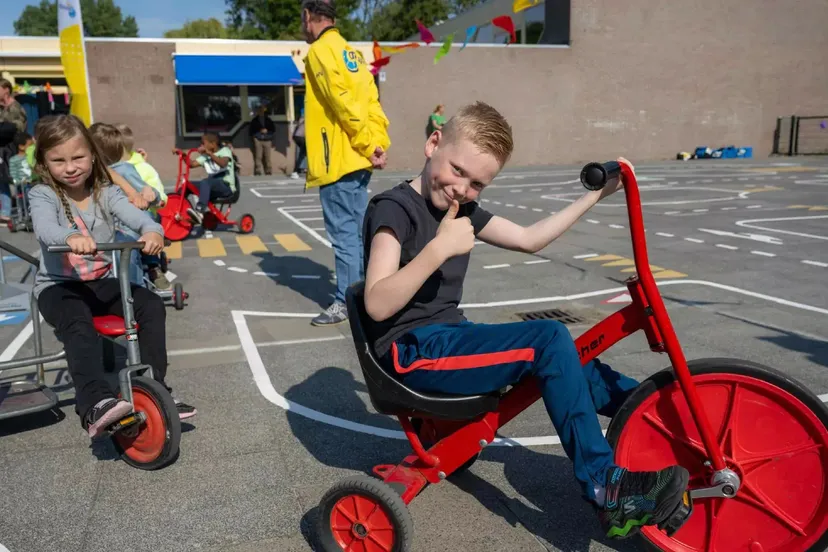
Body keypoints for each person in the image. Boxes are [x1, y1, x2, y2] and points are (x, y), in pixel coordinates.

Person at [361, 102, 690, 540]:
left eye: (477, 183)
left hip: (449, 337)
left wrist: (594, 194)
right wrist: (439, 249)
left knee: (571, 359)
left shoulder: (461, 211)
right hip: (411, 351)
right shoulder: (394, 209)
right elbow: (377, 304)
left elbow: (530, 239)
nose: (462, 188)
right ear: (433, 143)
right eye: (457, 171)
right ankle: (603, 484)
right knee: (549, 337)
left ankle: (667, 420)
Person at [28, 114, 196, 437]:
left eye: (78, 157)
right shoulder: (43, 195)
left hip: (101, 283)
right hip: (59, 287)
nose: (70, 167)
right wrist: (68, 237)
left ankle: (152, 388)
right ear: (44, 163)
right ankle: (94, 403)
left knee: (150, 305)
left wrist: (152, 230)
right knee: (77, 322)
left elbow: (137, 216)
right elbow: (45, 228)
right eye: (58, 160)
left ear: (93, 155)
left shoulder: (106, 193)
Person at [300, 0, 391, 326]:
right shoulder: (353, 54)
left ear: (308, 16)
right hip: (358, 157)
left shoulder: (319, 52)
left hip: (337, 158)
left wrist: (368, 144)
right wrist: (377, 144)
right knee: (356, 233)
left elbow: (341, 104)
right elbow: (371, 103)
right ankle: (368, 296)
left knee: (345, 237)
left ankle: (347, 302)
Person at [88, 123, 160, 288]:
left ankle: (135, 295)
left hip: (124, 230)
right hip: (101, 231)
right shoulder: (87, 173)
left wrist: (149, 193)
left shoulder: (124, 170)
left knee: (125, 257)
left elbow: (147, 192)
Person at [184, 131, 237, 225]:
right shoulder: (206, 156)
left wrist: (209, 154)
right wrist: (183, 155)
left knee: (206, 182)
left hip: (226, 187)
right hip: (212, 186)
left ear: (213, 144)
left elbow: (223, 163)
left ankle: (200, 212)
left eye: (203, 143)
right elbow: (191, 164)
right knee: (187, 185)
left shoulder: (225, 151)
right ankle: (178, 208)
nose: (201, 145)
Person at [248, 104, 275, 176]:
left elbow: (273, 129)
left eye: (262, 110)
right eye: (259, 110)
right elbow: (251, 131)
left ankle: (268, 170)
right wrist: (257, 135)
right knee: (258, 156)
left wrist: (267, 131)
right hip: (258, 139)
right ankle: (258, 171)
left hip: (267, 139)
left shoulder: (268, 120)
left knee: (267, 156)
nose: (261, 111)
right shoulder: (254, 120)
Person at [290, 108, 306, 180]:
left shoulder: (302, 118)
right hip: (301, 137)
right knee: (302, 154)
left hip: (296, 137)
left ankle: (296, 171)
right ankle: (295, 171)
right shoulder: (306, 118)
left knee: (304, 154)